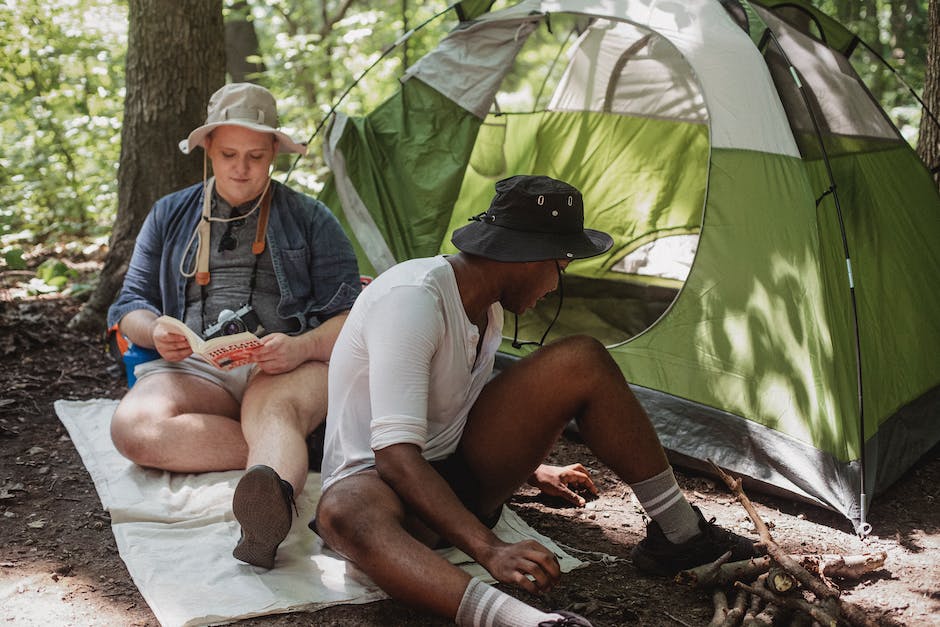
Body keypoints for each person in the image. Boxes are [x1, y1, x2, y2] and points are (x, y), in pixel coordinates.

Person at [313, 175, 760, 627]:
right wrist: (490, 549)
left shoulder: (487, 307)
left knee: (581, 358)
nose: (555, 284)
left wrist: (530, 469)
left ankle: (682, 535)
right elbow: (394, 458)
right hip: (380, 486)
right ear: (526, 258)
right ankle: (528, 623)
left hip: (452, 476)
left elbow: (449, 413)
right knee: (342, 512)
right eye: (559, 268)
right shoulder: (413, 300)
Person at [107, 83, 361, 570]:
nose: (241, 168)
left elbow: (352, 314)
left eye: (255, 155)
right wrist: (156, 330)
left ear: (273, 155)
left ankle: (264, 519)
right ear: (206, 149)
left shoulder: (311, 217)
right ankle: (283, 451)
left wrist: (302, 346)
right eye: (228, 154)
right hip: (199, 366)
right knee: (133, 428)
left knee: (274, 408)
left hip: (283, 364)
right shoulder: (168, 213)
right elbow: (129, 305)